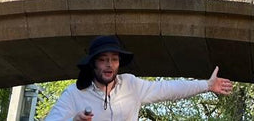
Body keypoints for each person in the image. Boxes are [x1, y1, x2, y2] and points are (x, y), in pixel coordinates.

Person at [43, 35, 233, 121]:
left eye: (114, 60)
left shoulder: (131, 85)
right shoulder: (74, 94)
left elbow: (168, 89)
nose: (109, 64)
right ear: (93, 64)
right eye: (103, 60)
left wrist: (206, 85)